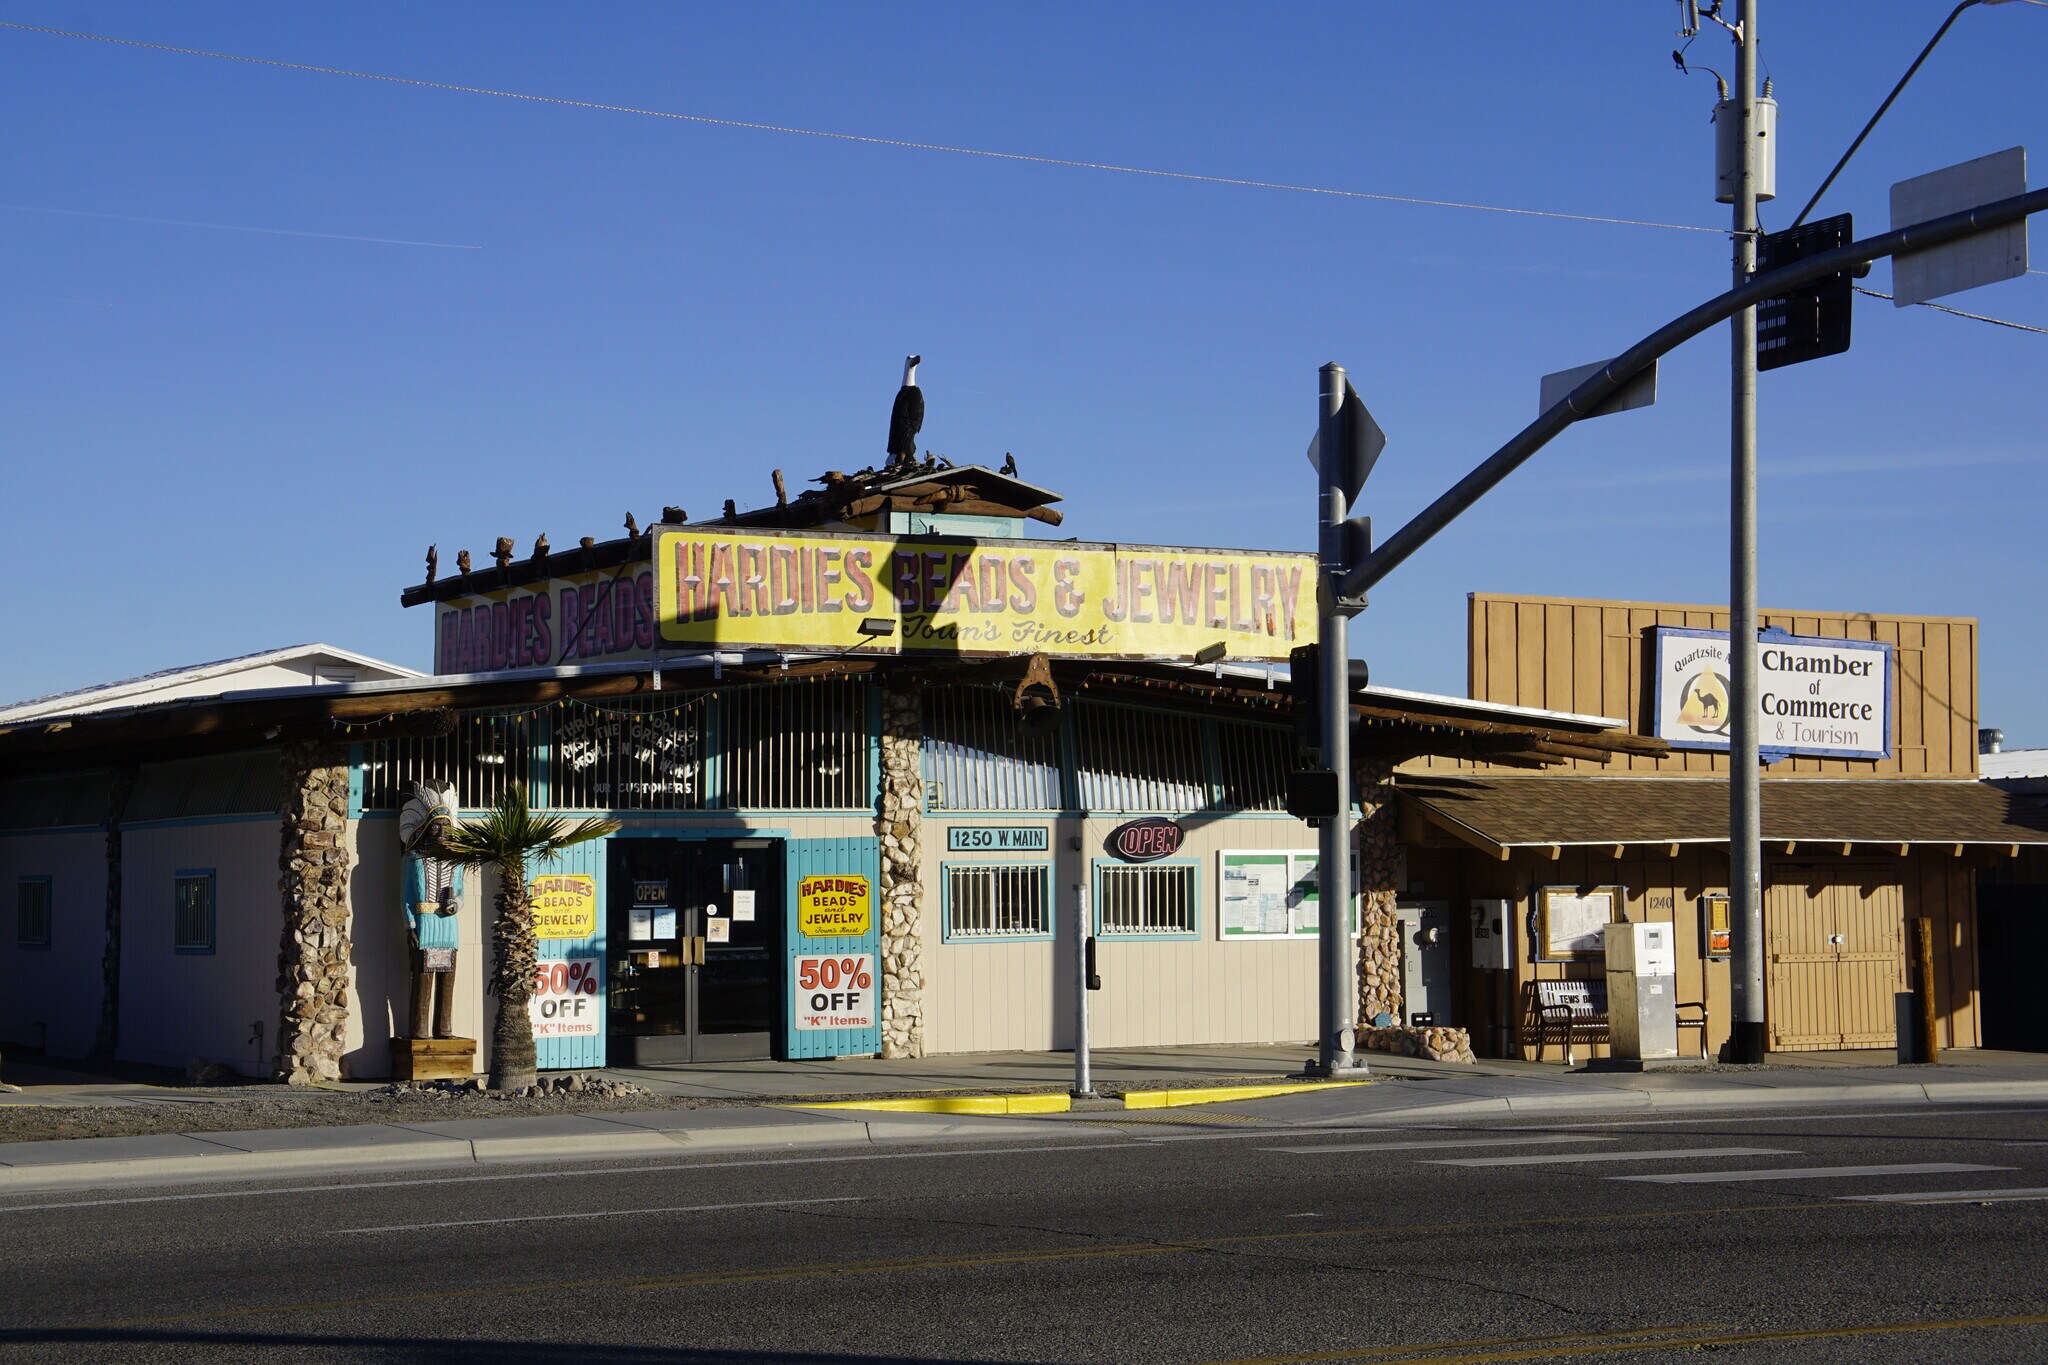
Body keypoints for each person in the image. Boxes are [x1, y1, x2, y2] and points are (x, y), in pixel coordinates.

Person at [398, 781, 464, 1039]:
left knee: (448, 978)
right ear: (426, 827)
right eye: (436, 825)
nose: (440, 830)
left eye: (445, 825)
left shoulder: (456, 860)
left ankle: (444, 1028)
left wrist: (455, 903)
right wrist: (410, 927)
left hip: (448, 924)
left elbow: (460, 892)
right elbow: (406, 896)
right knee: (423, 977)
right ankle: (420, 1030)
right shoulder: (414, 858)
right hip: (424, 923)